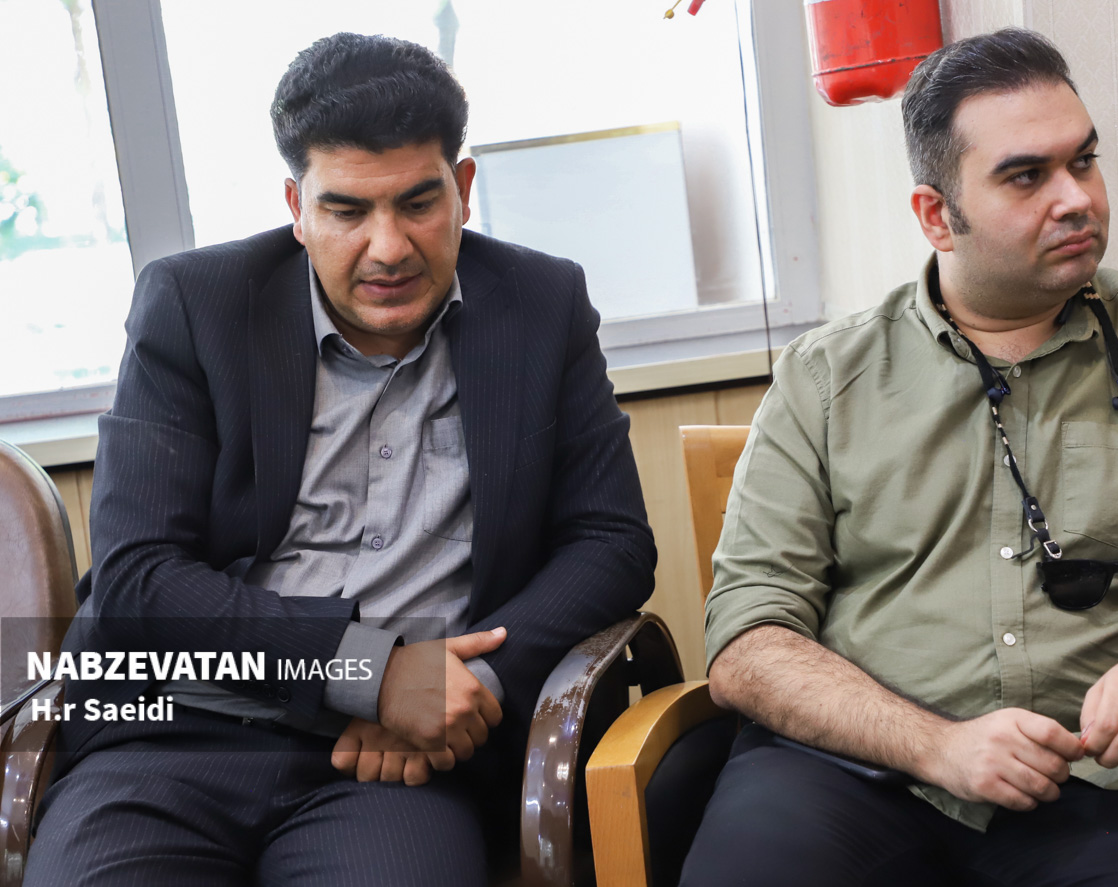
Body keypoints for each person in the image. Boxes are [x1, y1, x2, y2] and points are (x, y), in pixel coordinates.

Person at [681, 27, 1118, 887]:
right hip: (849, 778)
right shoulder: (824, 377)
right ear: (935, 215)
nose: (1075, 199)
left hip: (1105, 785)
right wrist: (936, 745)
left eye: (1083, 161)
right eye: (1026, 176)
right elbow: (747, 637)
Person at [24, 32, 656, 886]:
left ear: (464, 190)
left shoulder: (541, 304)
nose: (388, 247)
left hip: (394, 768)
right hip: (174, 738)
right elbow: (139, 578)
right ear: (297, 206)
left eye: (418, 203)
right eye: (347, 211)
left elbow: (610, 542)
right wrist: (369, 671)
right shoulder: (195, 304)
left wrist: (466, 689)